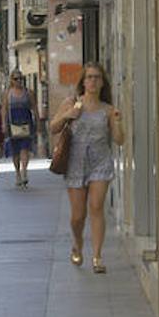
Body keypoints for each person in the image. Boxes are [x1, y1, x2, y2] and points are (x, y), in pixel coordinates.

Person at [50, 62, 124, 273]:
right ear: (83, 81)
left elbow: (120, 140)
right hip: (75, 162)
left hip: (100, 162)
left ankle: (97, 257)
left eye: (97, 77)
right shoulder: (72, 103)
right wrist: (67, 115)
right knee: (77, 216)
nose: (92, 81)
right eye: (89, 77)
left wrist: (117, 122)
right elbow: (53, 127)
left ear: (102, 83)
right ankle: (78, 243)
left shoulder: (109, 110)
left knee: (96, 207)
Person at [2, 71, 38, 188]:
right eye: (16, 79)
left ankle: (24, 172)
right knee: (15, 152)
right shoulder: (8, 94)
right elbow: (4, 110)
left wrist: (38, 122)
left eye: (20, 79)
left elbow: (34, 108)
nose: (19, 81)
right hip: (12, 124)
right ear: (11, 80)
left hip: (26, 124)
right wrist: (4, 124)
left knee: (25, 148)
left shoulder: (28, 93)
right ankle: (17, 172)